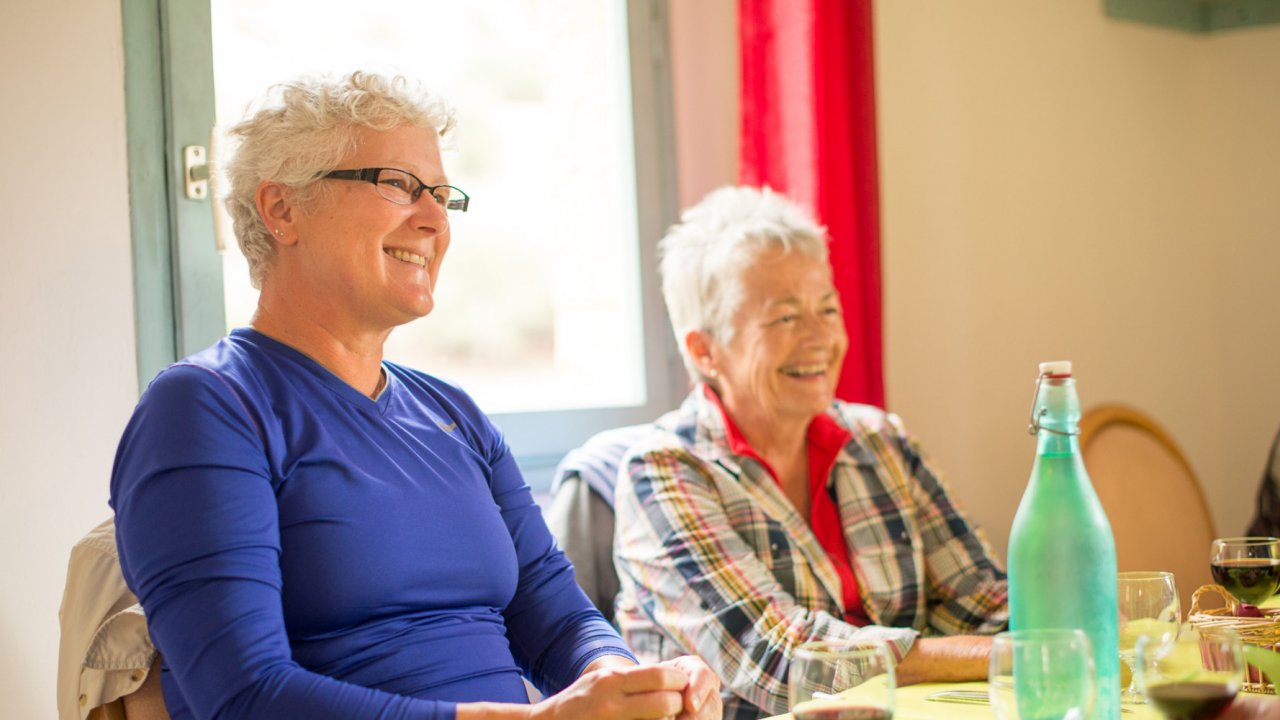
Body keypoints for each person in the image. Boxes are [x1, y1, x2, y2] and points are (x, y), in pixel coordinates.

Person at [110, 72, 719, 720]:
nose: (434, 220)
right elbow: (245, 696)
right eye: (398, 185)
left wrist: (630, 681)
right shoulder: (205, 409)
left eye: (441, 193)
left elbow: (558, 614)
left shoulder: (452, 413)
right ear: (282, 209)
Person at [612, 186, 1009, 718]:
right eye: (785, 318)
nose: (822, 336)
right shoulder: (662, 471)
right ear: (704, 350)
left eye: (827, 308)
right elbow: (783, 662)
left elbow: (983, 607)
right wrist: (994, 656)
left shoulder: (881, 441)